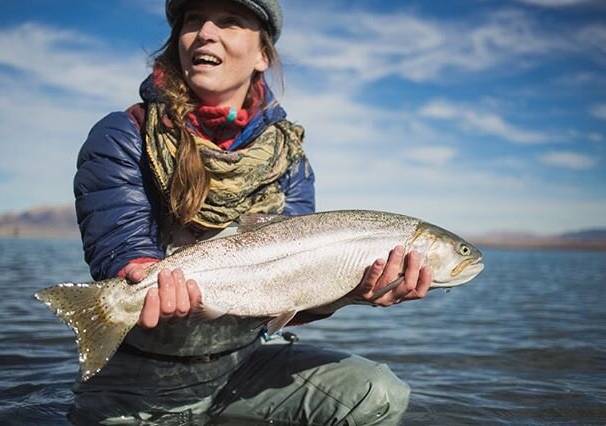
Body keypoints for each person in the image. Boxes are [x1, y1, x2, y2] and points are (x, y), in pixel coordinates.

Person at [70, 0, 432, 424]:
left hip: (246, 363)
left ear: (263, 54)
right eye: (193, 20)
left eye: (229, 21)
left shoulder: (289, 156)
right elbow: (121, 248)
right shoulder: (123, 133)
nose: (206, 32)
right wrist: (141, 277)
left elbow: (292, 291)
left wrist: (350, 292)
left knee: (378, 393)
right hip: (140, 376)